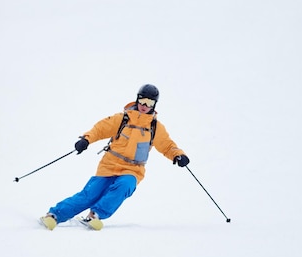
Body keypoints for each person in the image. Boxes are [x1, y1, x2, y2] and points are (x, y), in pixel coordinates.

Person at [40, 84, 190, 231]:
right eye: (142, 100)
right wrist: (86, 139)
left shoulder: (155, 127)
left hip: (133, 170)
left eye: (149, 103)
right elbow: (100, 129)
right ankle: (53, 215)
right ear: (137, 99)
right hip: (109, 166)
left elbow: (167, 145)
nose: (145, 105)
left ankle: (95, 215)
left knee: (125, 185)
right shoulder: (122, 119)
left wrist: (178, 155)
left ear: (154, 105)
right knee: (90, 195)